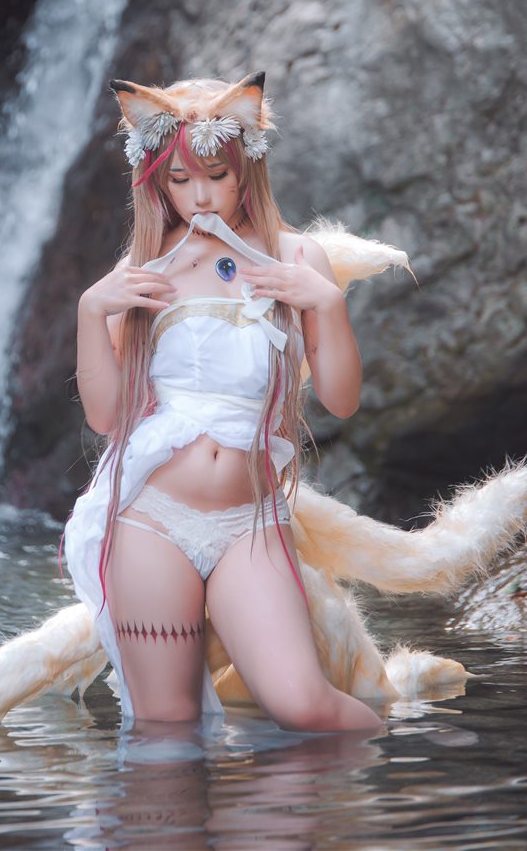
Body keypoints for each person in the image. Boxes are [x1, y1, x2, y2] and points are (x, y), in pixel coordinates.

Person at [63, 71, 383, 732]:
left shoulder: (297, 257)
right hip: (150, 520)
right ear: (157, 181)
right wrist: (91, 312)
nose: (200, 196)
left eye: (216, 175)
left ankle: (408, 788)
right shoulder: (142, 270)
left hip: (250, 521)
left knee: (304, 704)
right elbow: (104, 417)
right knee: (165, 724)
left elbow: (342, 400)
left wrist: (326, 303)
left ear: (247, 168)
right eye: (180, 180)